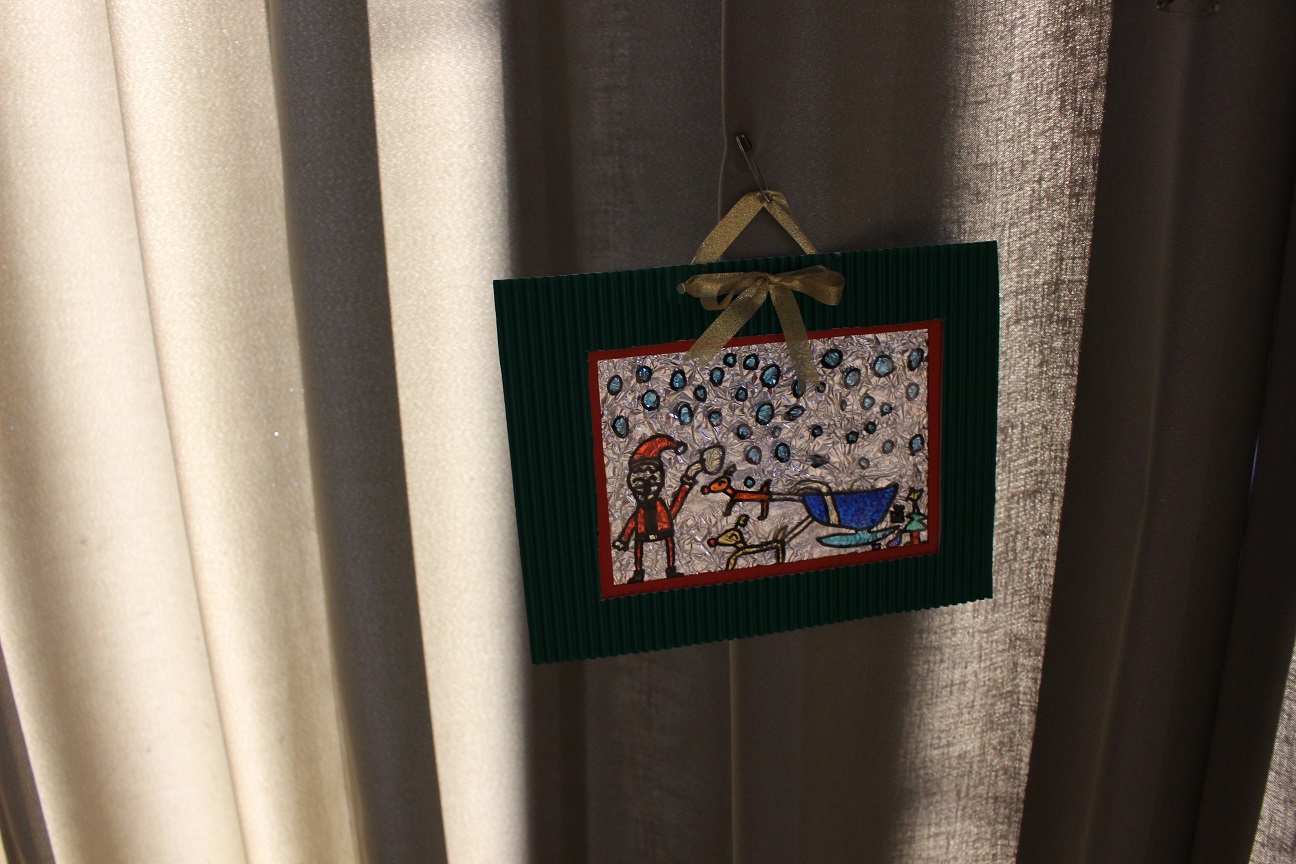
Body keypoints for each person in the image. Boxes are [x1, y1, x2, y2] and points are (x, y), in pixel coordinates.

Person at [612, 435, 703, 582]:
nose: (646, 485)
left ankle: (670, 569)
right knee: (640, 546)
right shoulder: (642, 508)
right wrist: (624, 539)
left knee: (668, 543)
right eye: (640, 479)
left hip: (662, 530)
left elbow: (674, 508)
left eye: (651, 478)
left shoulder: (659, 506)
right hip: (644, 532)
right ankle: (639, 572)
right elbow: (633, 522)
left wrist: (686, 484)